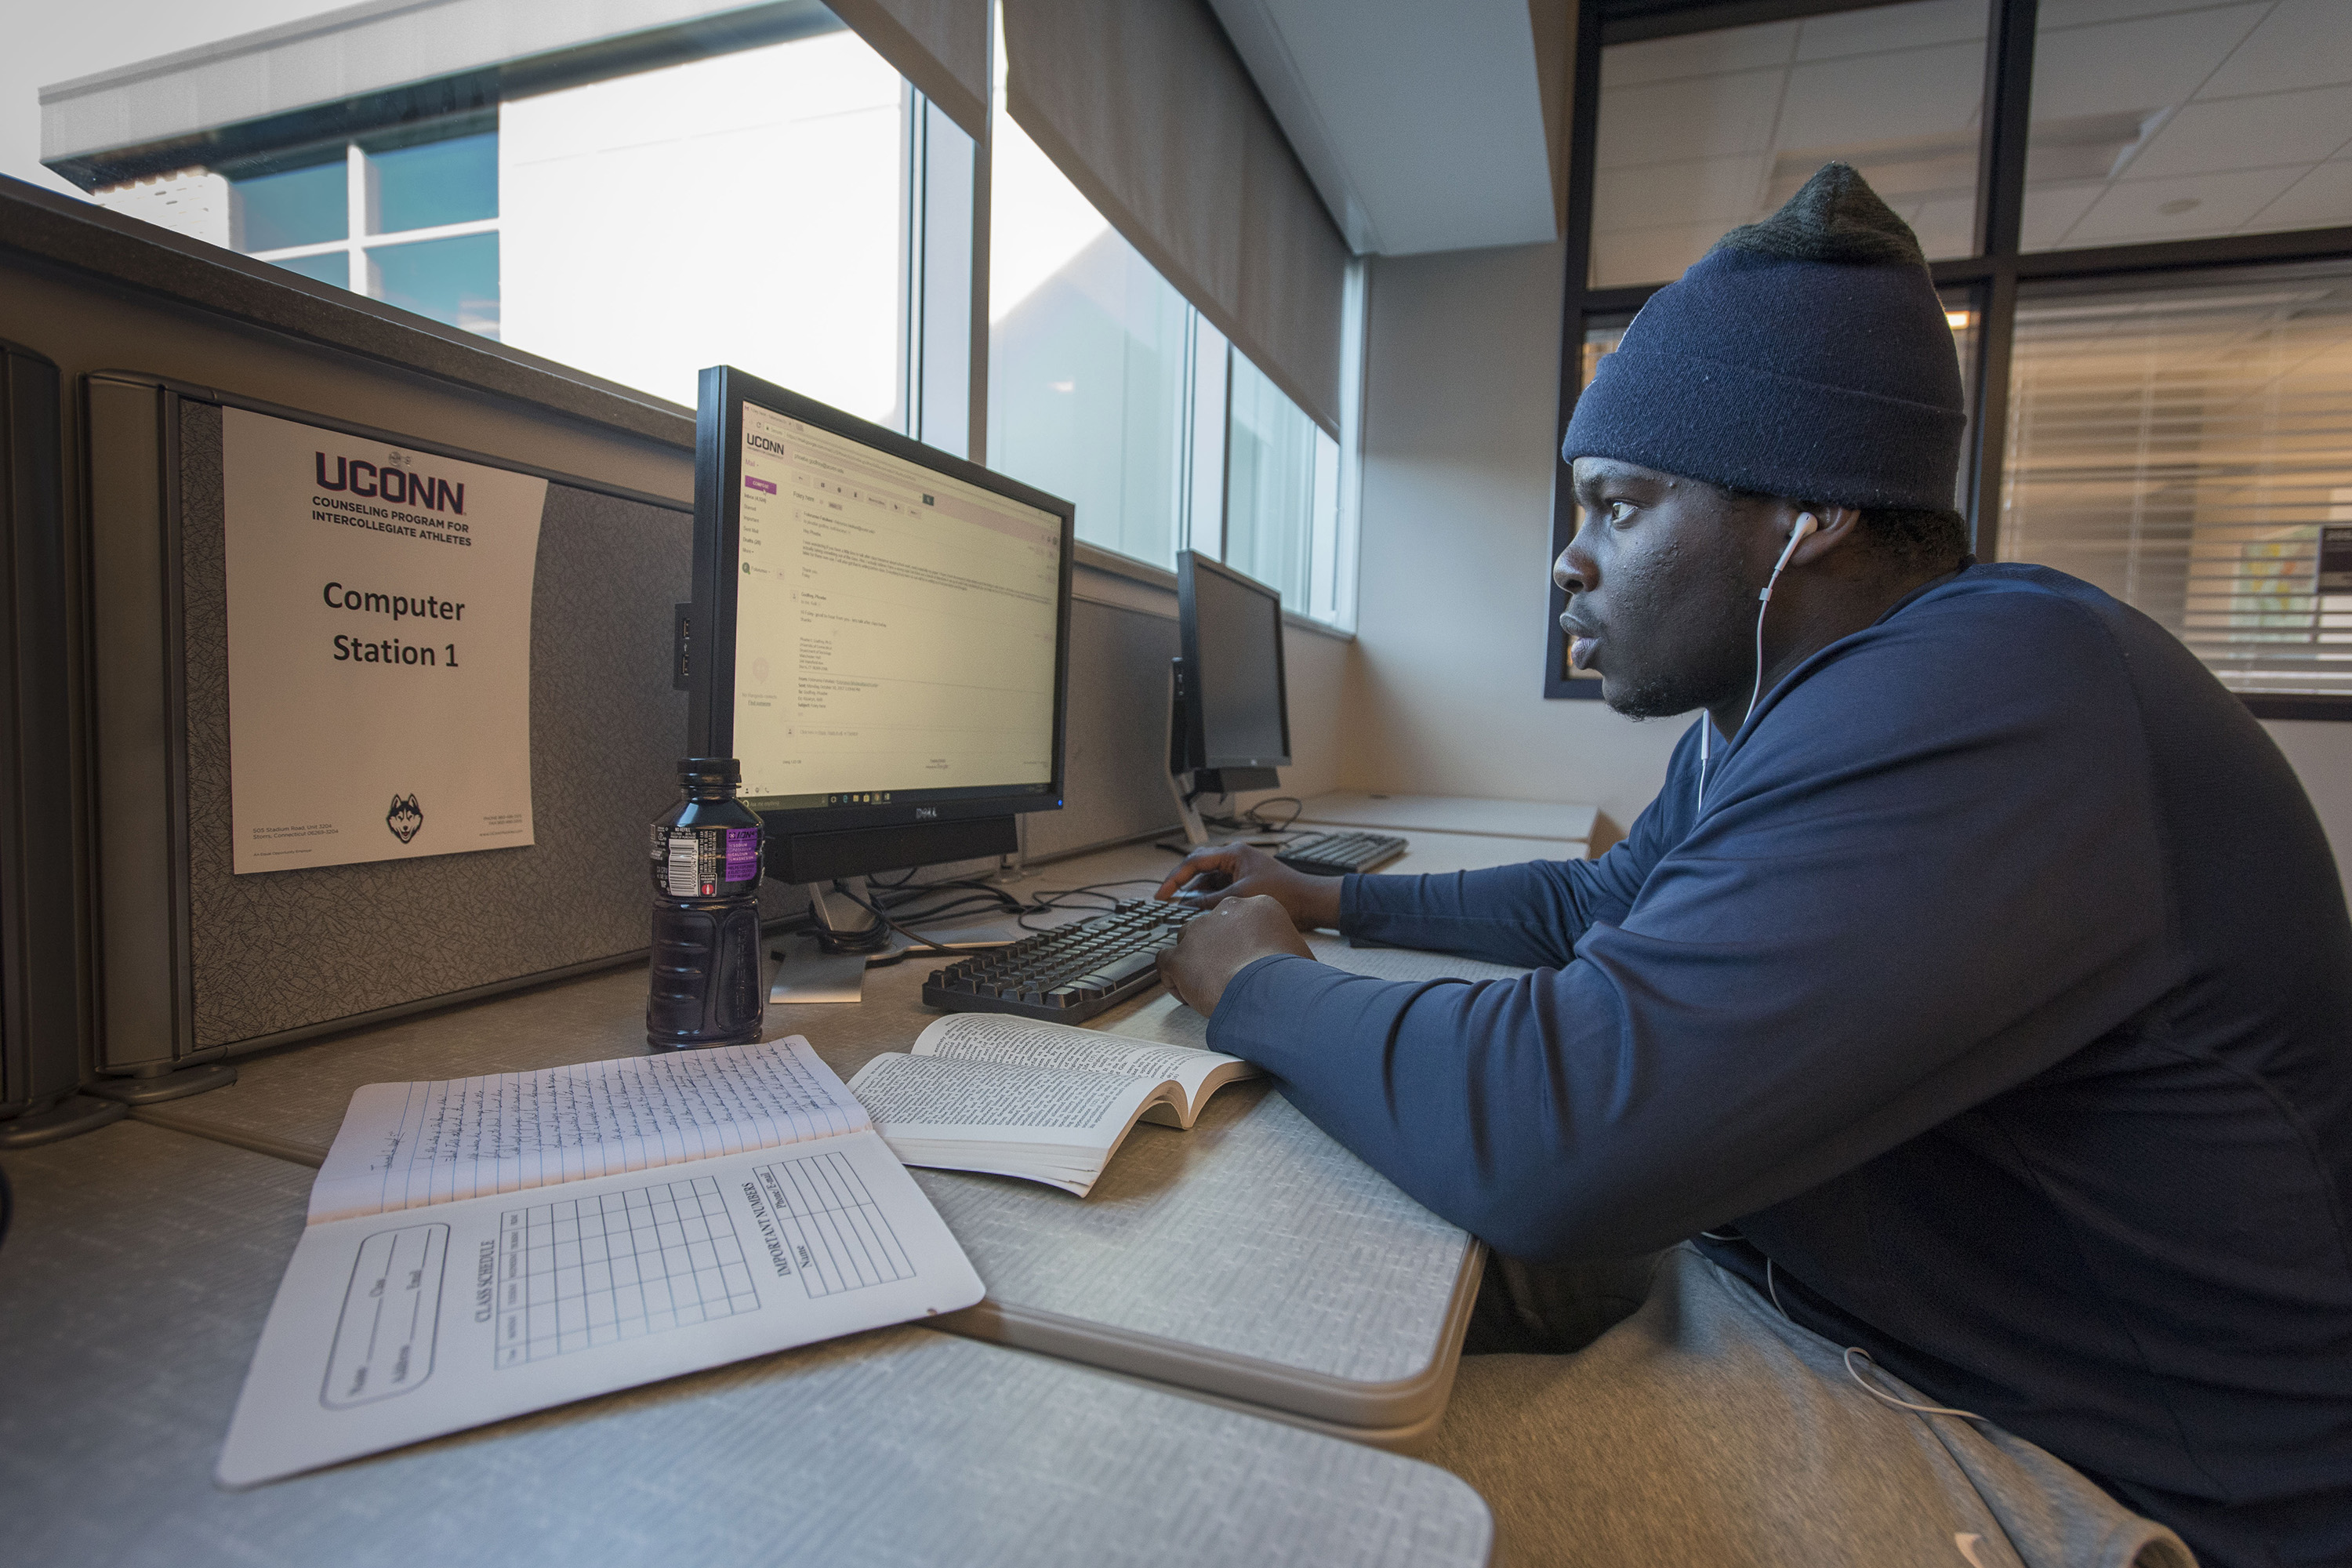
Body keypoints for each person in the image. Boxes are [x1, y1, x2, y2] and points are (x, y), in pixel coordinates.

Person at [1153, 165, 2351, 1568]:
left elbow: (1566, 1127)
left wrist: (1261, 984)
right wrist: (1333, 899)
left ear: (1807, 515)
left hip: (2092, 1478)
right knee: (1288, 1278)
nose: (1569, 562)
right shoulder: (1787, 707)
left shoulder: (2005, 698)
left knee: (1283, 1511)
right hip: (1838, 1295)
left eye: (1618, 505)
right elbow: (1600, 903)